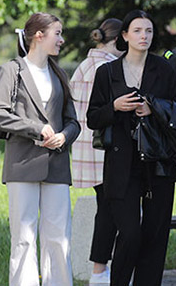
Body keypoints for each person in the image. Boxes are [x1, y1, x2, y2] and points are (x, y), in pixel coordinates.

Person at [87, 10, 176, 286]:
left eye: (149, 31)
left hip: (158, 161)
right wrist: (115, 107)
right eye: (138, 31)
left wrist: (154, 108)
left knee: (155, 236)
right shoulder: (107, 72)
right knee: (129, 234)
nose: (144, 36)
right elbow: (93, 118)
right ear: (125, 35)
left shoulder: (164, 69)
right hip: (121, 164)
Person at [0, 12, 80, 286]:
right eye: (57, 33)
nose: (62, 40)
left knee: (59, 237)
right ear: (39, 36)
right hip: (22, 163)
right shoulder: (11, 70)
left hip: (56, 165)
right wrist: (36, 128)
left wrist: (63, 136)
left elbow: (73, 121)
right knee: (23, 239)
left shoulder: (59, 73)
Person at [69, 18, 122, 285]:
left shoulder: (85, 65)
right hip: (104, 149)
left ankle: (101, 270)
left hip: (86, 150)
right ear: (119, 40)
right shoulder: (107, 67)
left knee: (107, 208)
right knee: (109, 211)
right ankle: (100, 271)